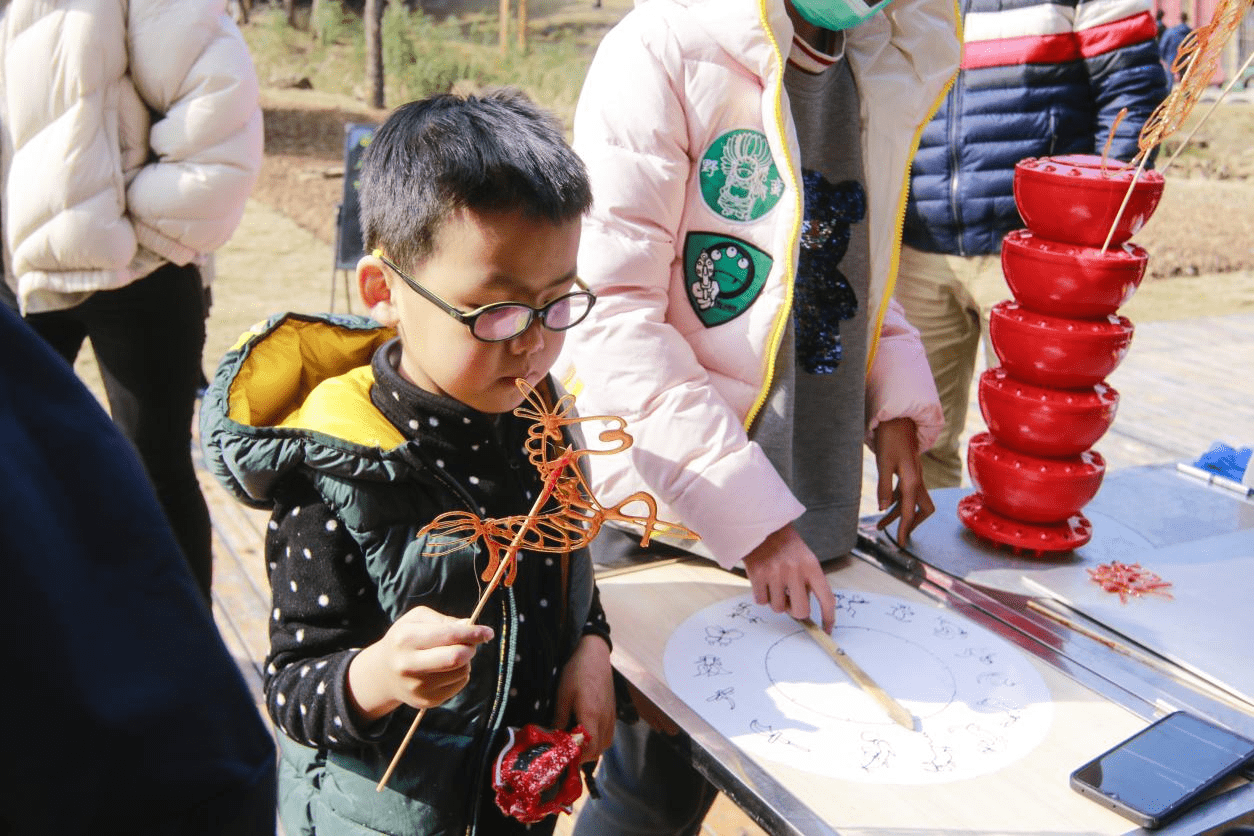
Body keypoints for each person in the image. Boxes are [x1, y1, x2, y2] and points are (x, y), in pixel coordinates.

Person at [557, 0, 959, 830]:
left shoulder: (870, 63)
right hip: (672, 513)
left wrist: (894, 402)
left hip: (809, 513)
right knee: (648, 793)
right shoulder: (660, 51)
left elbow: (849, 265)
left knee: (791, 765)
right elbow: (613, 315)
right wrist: (753, 519)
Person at [199, 89, 616, 836]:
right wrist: (379, 676)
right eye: (496, 311)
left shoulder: (540, 413)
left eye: (558, 303)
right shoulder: (335, 471)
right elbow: (293, 687)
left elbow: (568, 561)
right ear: (382, 289)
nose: (532, 343)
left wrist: (590, 641)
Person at [0, 0, 264, 600]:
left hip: (135, 270)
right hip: (13, 269)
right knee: (16, 468)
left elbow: (217, 106)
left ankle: (187, 660)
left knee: (157, 468)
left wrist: (143, 233)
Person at [0, 302, 276, 835]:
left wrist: (136, 243)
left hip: (143, 277)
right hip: (50, 281)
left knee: (156, 460)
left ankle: (189, 631)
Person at [894, 0, 1170, 488]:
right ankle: (919, 554)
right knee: (918, 438)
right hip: (920, 243)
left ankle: (1021, 560)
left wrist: (1084, 227)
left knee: (1035, 442)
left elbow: (1132, 99)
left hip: (1036, 254)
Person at [1160, 12, 1193, 82]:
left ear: (1179, 19)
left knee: (1169, 77)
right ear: (1187, 19)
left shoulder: (1171, 31)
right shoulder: (1190, 32)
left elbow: (1163, 45)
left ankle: (1168, 92)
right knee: (1184, 76)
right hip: (1184, 57)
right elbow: (1194, 45)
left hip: (1171, 56)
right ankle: (1185, 91)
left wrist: (1163, 57)